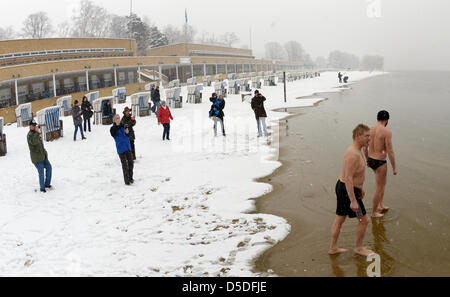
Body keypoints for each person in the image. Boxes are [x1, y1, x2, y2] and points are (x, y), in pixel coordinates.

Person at [329, 124, 374, 257]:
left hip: (348, 189)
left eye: (370, 136)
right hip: (348, 191)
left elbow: (353, 176)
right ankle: (359, 248)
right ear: (357, 136)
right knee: (364, 220)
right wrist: (353, 200)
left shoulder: (357, 150)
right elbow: (348, 178)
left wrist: (360, 189)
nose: (369, 139)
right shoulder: (353, 154)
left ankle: (333, 248)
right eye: (367, 136)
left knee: (340, 219)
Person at [364, 110, 398, 218]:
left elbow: (365, 147)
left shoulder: (369, 129)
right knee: (379, 187)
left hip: (371, 159)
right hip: (380, 162)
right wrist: (394, 167)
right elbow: (390, 151)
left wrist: (367, 160)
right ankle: (374, 212)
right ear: (386, 120)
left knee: (382, 184)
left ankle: (381, 205)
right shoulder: (386, 131)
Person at [27, 119, 52, 193]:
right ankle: (42, 188)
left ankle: (47, 184)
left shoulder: (36, 133)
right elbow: (34, 142)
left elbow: (40, 145)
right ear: (30, 126)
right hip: (37, 158)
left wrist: (45, 153)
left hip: (43, 156)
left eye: (35, 125)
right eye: (33, 126)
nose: (35, 127)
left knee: (49, 168)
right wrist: (37, 133)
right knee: (41, 173)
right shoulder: (30, 135)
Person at [110, 114, 134, 186]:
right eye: (117, 118)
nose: (118, 119)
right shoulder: (112, 128)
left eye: (119, 118)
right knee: (124, 165)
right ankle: (127, 181)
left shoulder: (123, 126)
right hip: (120, 148)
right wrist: (117, 125)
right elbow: (113, 134)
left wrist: (127, 132)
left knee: (131, 163)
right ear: (114, 120)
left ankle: (130, 178)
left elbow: (128, 135)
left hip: (127, 146)